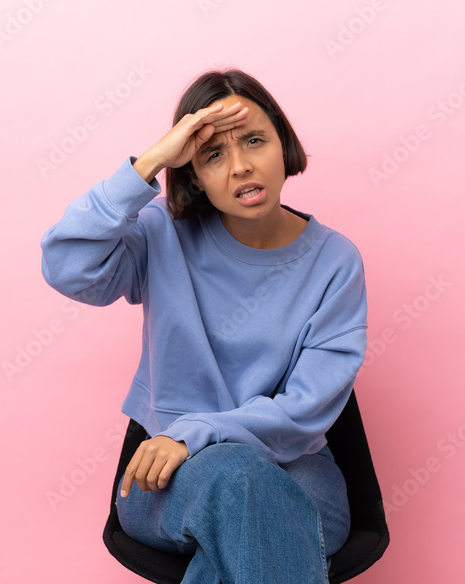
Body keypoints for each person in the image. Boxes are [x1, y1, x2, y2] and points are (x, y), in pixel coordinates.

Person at [40, 68, 368, 583]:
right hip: (168, 481)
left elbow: (308, 407)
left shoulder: (335, 262)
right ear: (192, 173)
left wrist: (196, 433)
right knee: (239, 488)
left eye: (255, 141)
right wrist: (147, 165)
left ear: (283, 143)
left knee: (241, 521)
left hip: (297, 474)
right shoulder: (160, 234)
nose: (240, 167)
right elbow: (67, 266)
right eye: (213, 155)